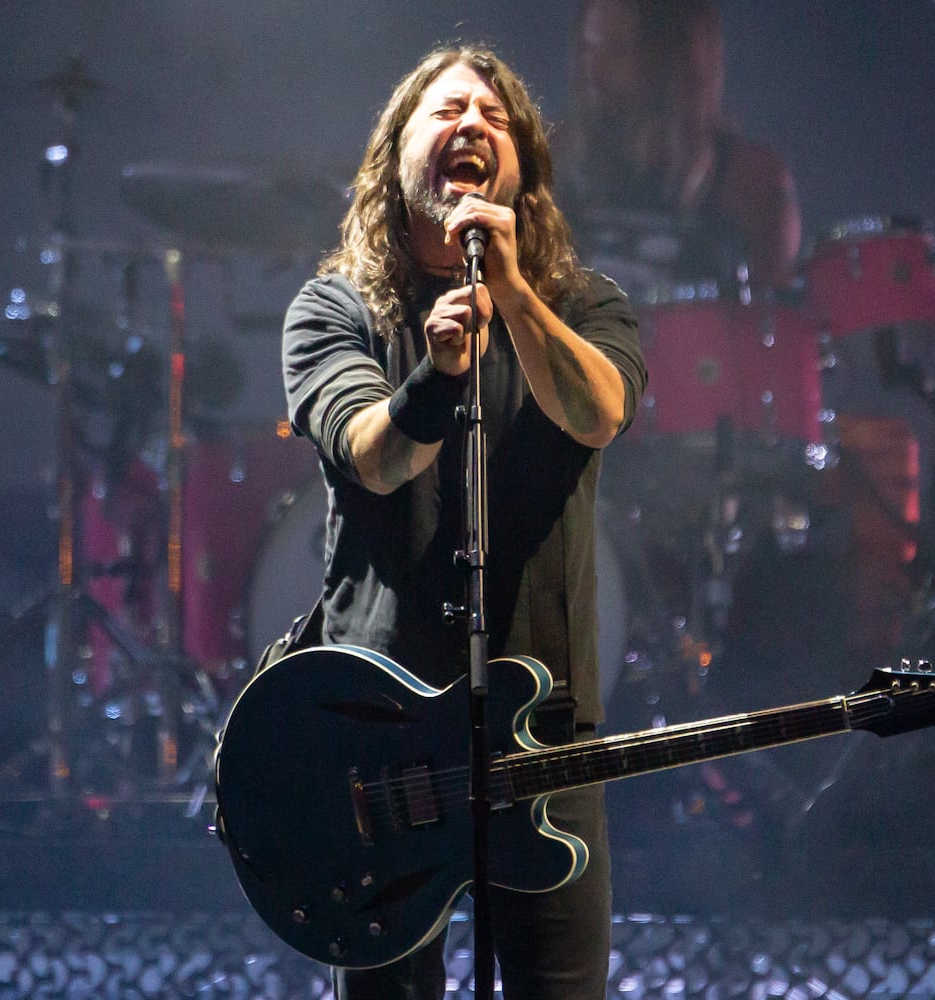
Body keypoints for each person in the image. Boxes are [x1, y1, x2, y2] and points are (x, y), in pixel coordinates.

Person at [281, 44, 645, 1000]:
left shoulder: (584, 306)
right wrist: (439, 377)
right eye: (443, 113)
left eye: (494, 117)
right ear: (394, 161)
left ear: (521, 172)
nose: (471, 125)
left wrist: (514, 298)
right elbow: (374, 452)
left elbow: (598, 411)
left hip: (545, 735)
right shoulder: (335, 311)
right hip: (382, 737)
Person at [566, 0, 802, 294]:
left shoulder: (750, 183)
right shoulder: (556, 161)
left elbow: (773, 328)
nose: (594, 71)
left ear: (674, 59)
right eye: (590, 47)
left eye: (618, 50)